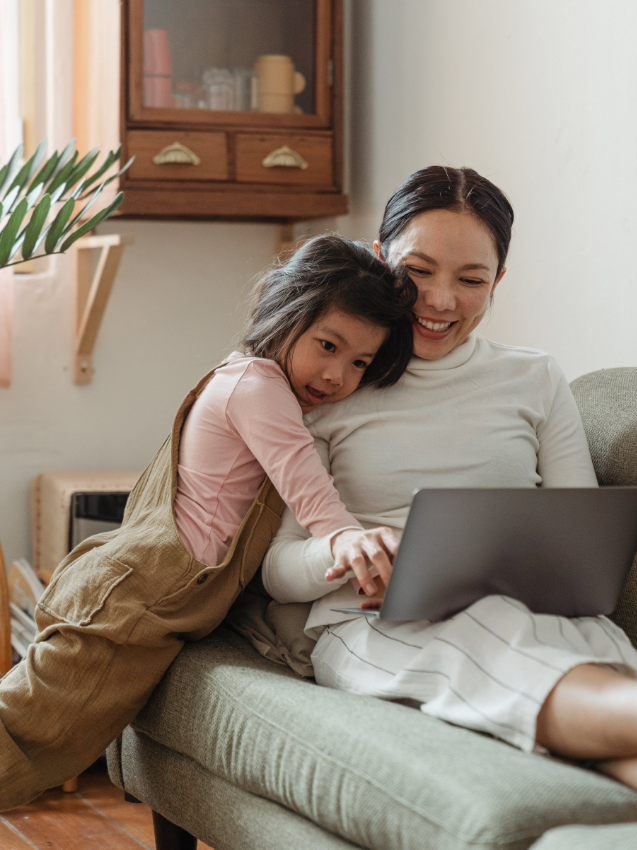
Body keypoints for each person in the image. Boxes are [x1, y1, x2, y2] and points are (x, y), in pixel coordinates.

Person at [261, 167, 637, 824]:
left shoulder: (533, 378)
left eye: (471, 280)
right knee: (491, 633)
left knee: (542, 634)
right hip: (376, 621)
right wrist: (345, 548)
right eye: (416, 271)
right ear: (378, 257)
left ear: (497, 282)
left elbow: (581, 532)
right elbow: (278, 570)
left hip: (534, 606)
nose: (439, 300)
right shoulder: (335, 381)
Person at [0, 235, 416, 811]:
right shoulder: (258, 388)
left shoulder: (248, 380)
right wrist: (351, 540)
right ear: (286, 312)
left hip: (151, 603)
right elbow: (310, 491)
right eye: (327, 345)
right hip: (137, 600)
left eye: (359, 363)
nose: (336, 375)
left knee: (43, 738)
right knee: (27, 731)